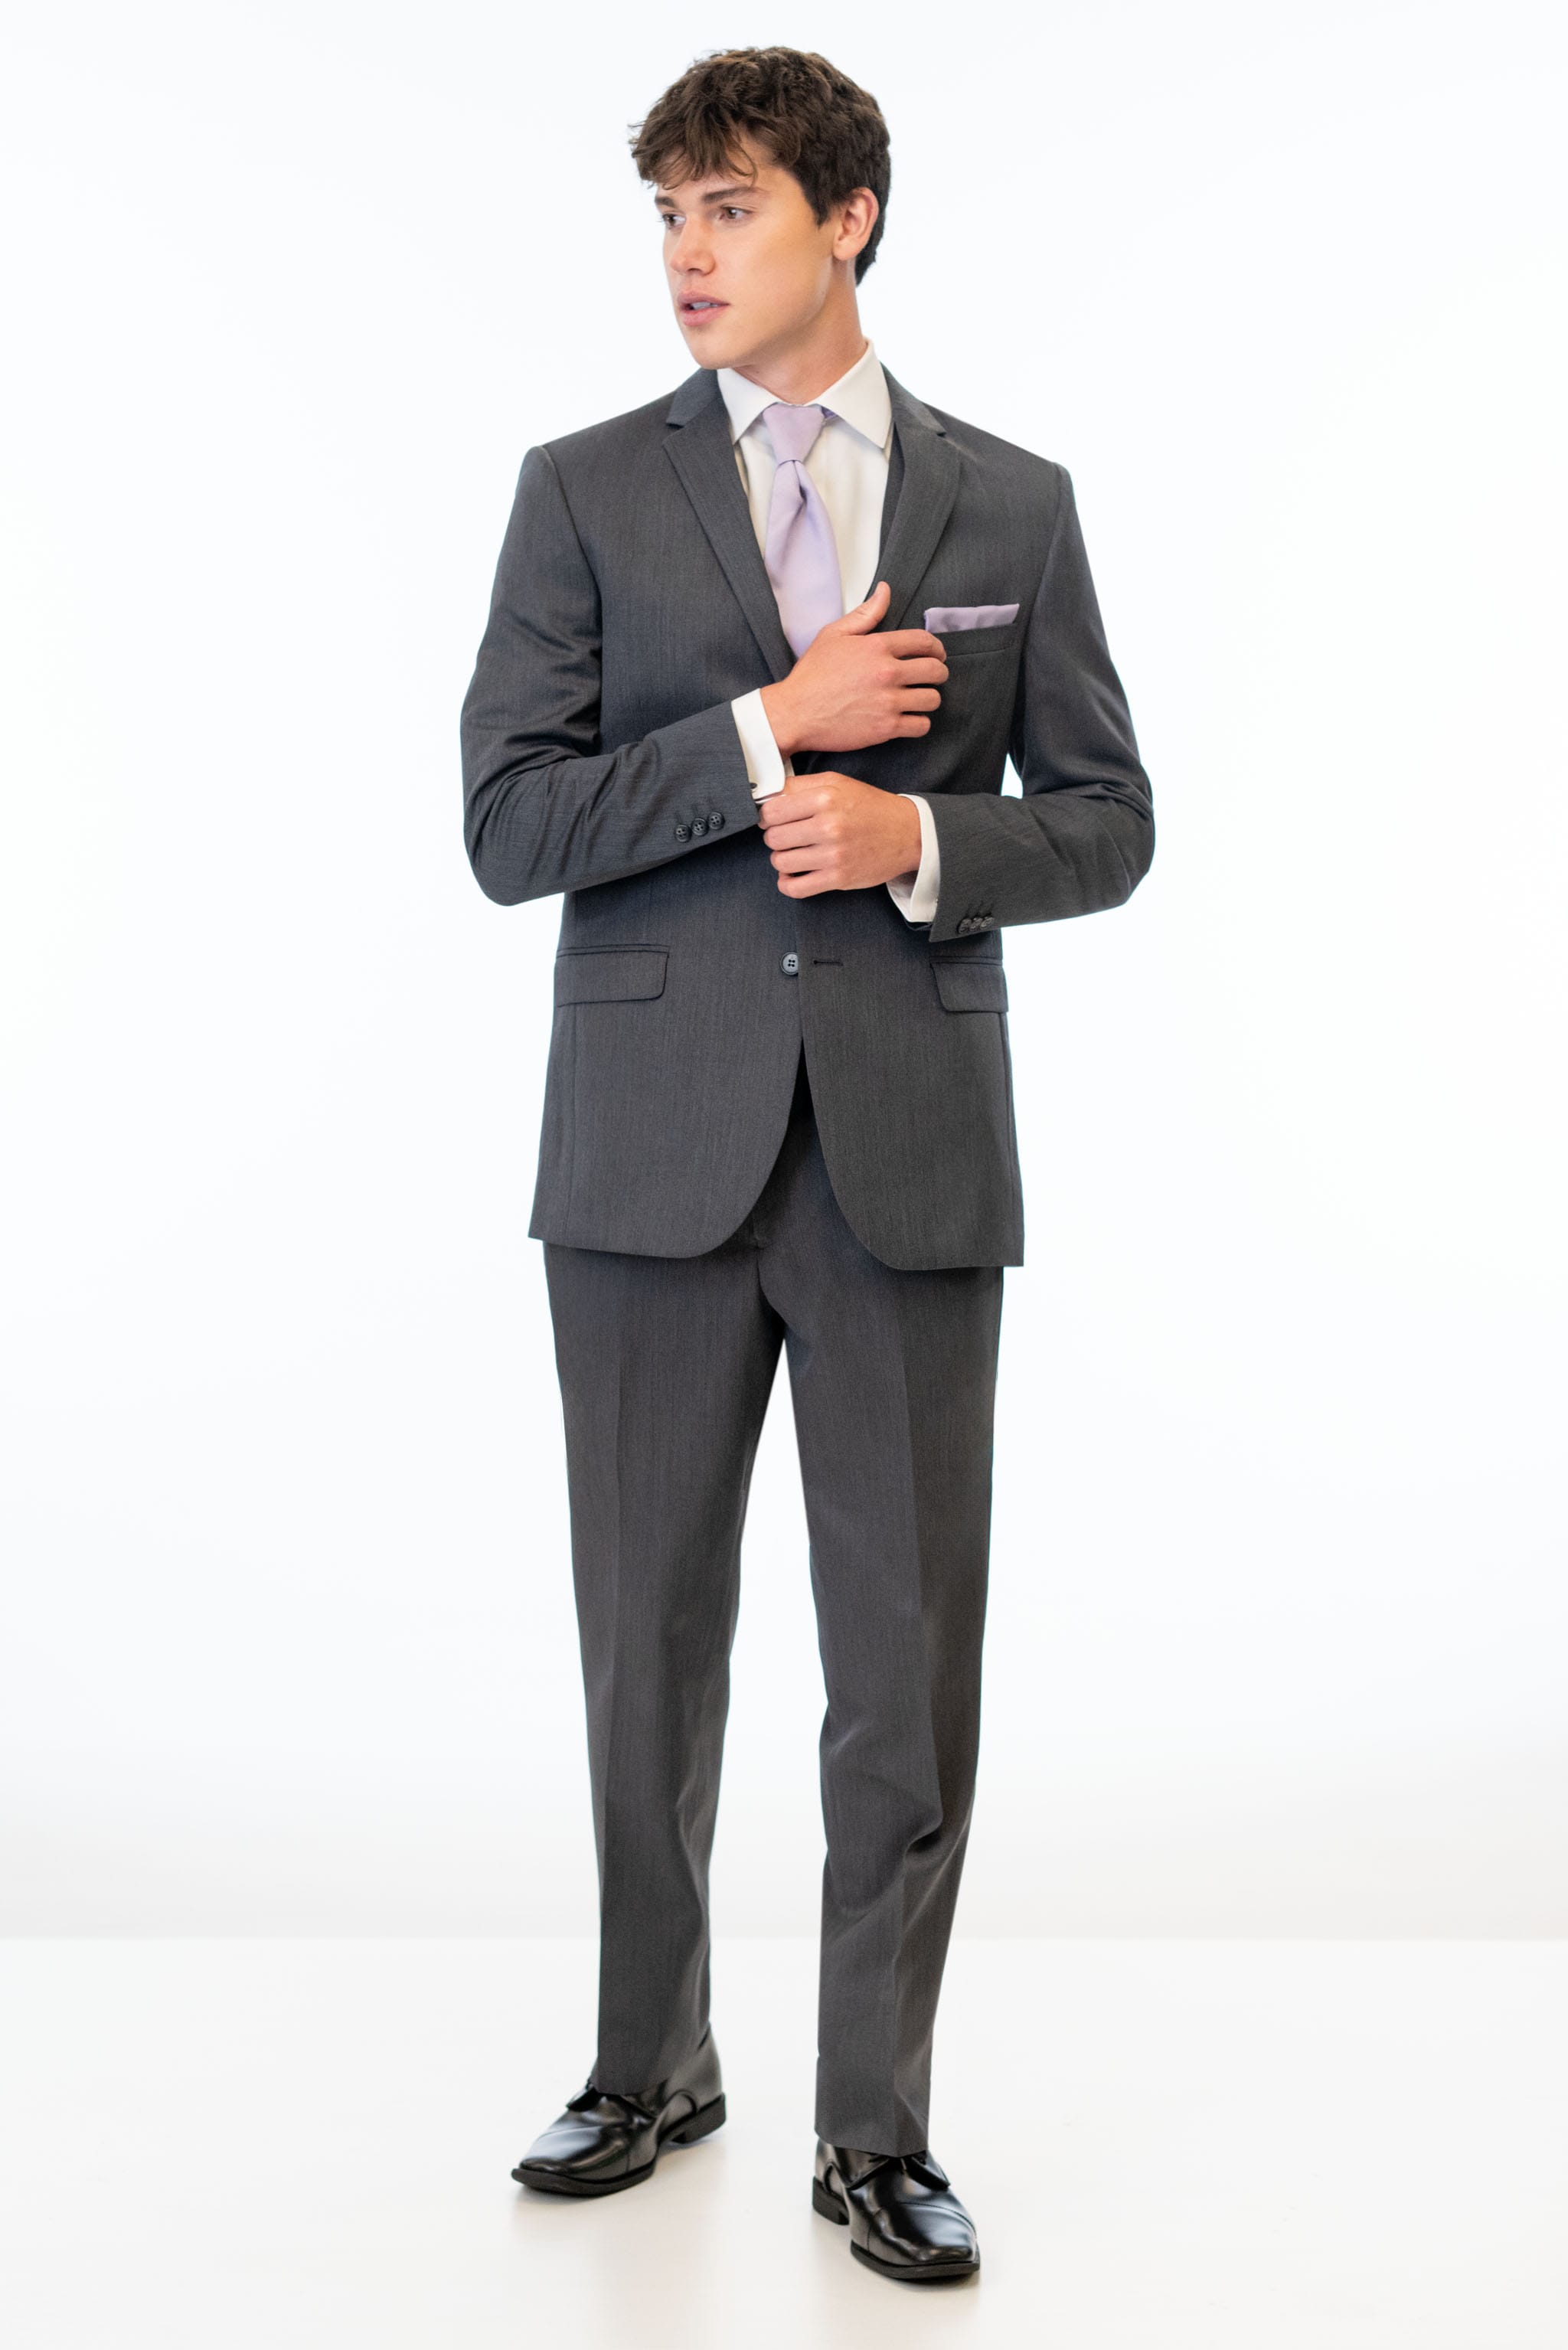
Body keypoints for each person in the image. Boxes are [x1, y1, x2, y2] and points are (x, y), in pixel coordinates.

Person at [459, 44, 1153, 2285]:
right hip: (649, 1160)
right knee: (644, 1652)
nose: (683, 254)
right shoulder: (579, 491)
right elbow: (509, 827)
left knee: (903, 1664)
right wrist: (766, 732)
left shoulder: (1012, 504)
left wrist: (922, 834)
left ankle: (879, 2124)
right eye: (665, 212)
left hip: (906, 1161)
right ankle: (649, 2058)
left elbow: (1116, 819)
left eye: (729, 207)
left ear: (846, 217)